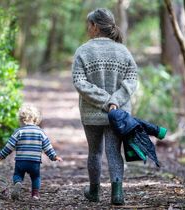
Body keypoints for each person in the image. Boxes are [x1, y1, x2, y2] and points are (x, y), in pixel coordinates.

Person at [71, 8, 138, 205]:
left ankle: (94, 192)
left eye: (88, 25)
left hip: (92, 112)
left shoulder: (83, 51)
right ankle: (117, 194)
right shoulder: (123, 51)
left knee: (95, 152)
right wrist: (114, 100)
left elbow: (79, 82)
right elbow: (132, 80)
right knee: (114, 152)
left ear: (95, 26)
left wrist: (103, 100)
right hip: (118, 113)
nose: (87, 28)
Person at [0, 104, 63, 200]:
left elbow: (9, 146)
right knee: (36, 177)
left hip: (21, 161)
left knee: (17, 174)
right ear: (36, 118)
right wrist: (54, 156)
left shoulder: (18, 132)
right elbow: (47, 146)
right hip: (34, 162)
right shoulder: (40, 132)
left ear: (21, 119)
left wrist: (1, 155)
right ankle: (35, 194)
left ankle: (18, 183)